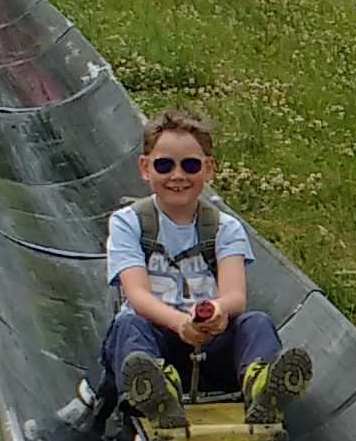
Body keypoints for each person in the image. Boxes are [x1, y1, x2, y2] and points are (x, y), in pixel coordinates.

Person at [102, 109, 312, 421]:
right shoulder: (128, 223)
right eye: (164, 165)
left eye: (190, 165)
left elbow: (234, 296)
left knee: (255, 323)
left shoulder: (224, 228)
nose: (177, 175)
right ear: (145, 168)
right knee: (128, 325)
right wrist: (179, 324)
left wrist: (215, 313)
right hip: (155, 340)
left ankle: (263, 386)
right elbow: (138, 295)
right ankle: (156, 391)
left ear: (208, 168)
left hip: (209, 344)